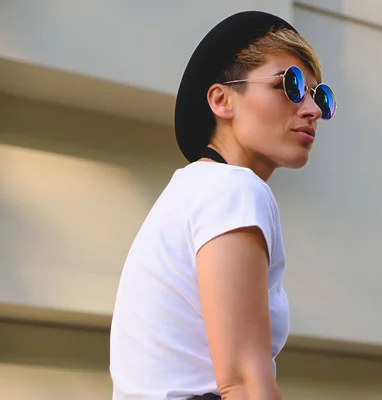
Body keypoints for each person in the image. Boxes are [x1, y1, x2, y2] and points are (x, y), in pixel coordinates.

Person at [109, 10, 336, 400]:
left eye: (320, 96)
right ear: (222, 100)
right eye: (291, 85)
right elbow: (244, 384)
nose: (312, 110)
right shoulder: (233, 189)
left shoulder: (194, 190)